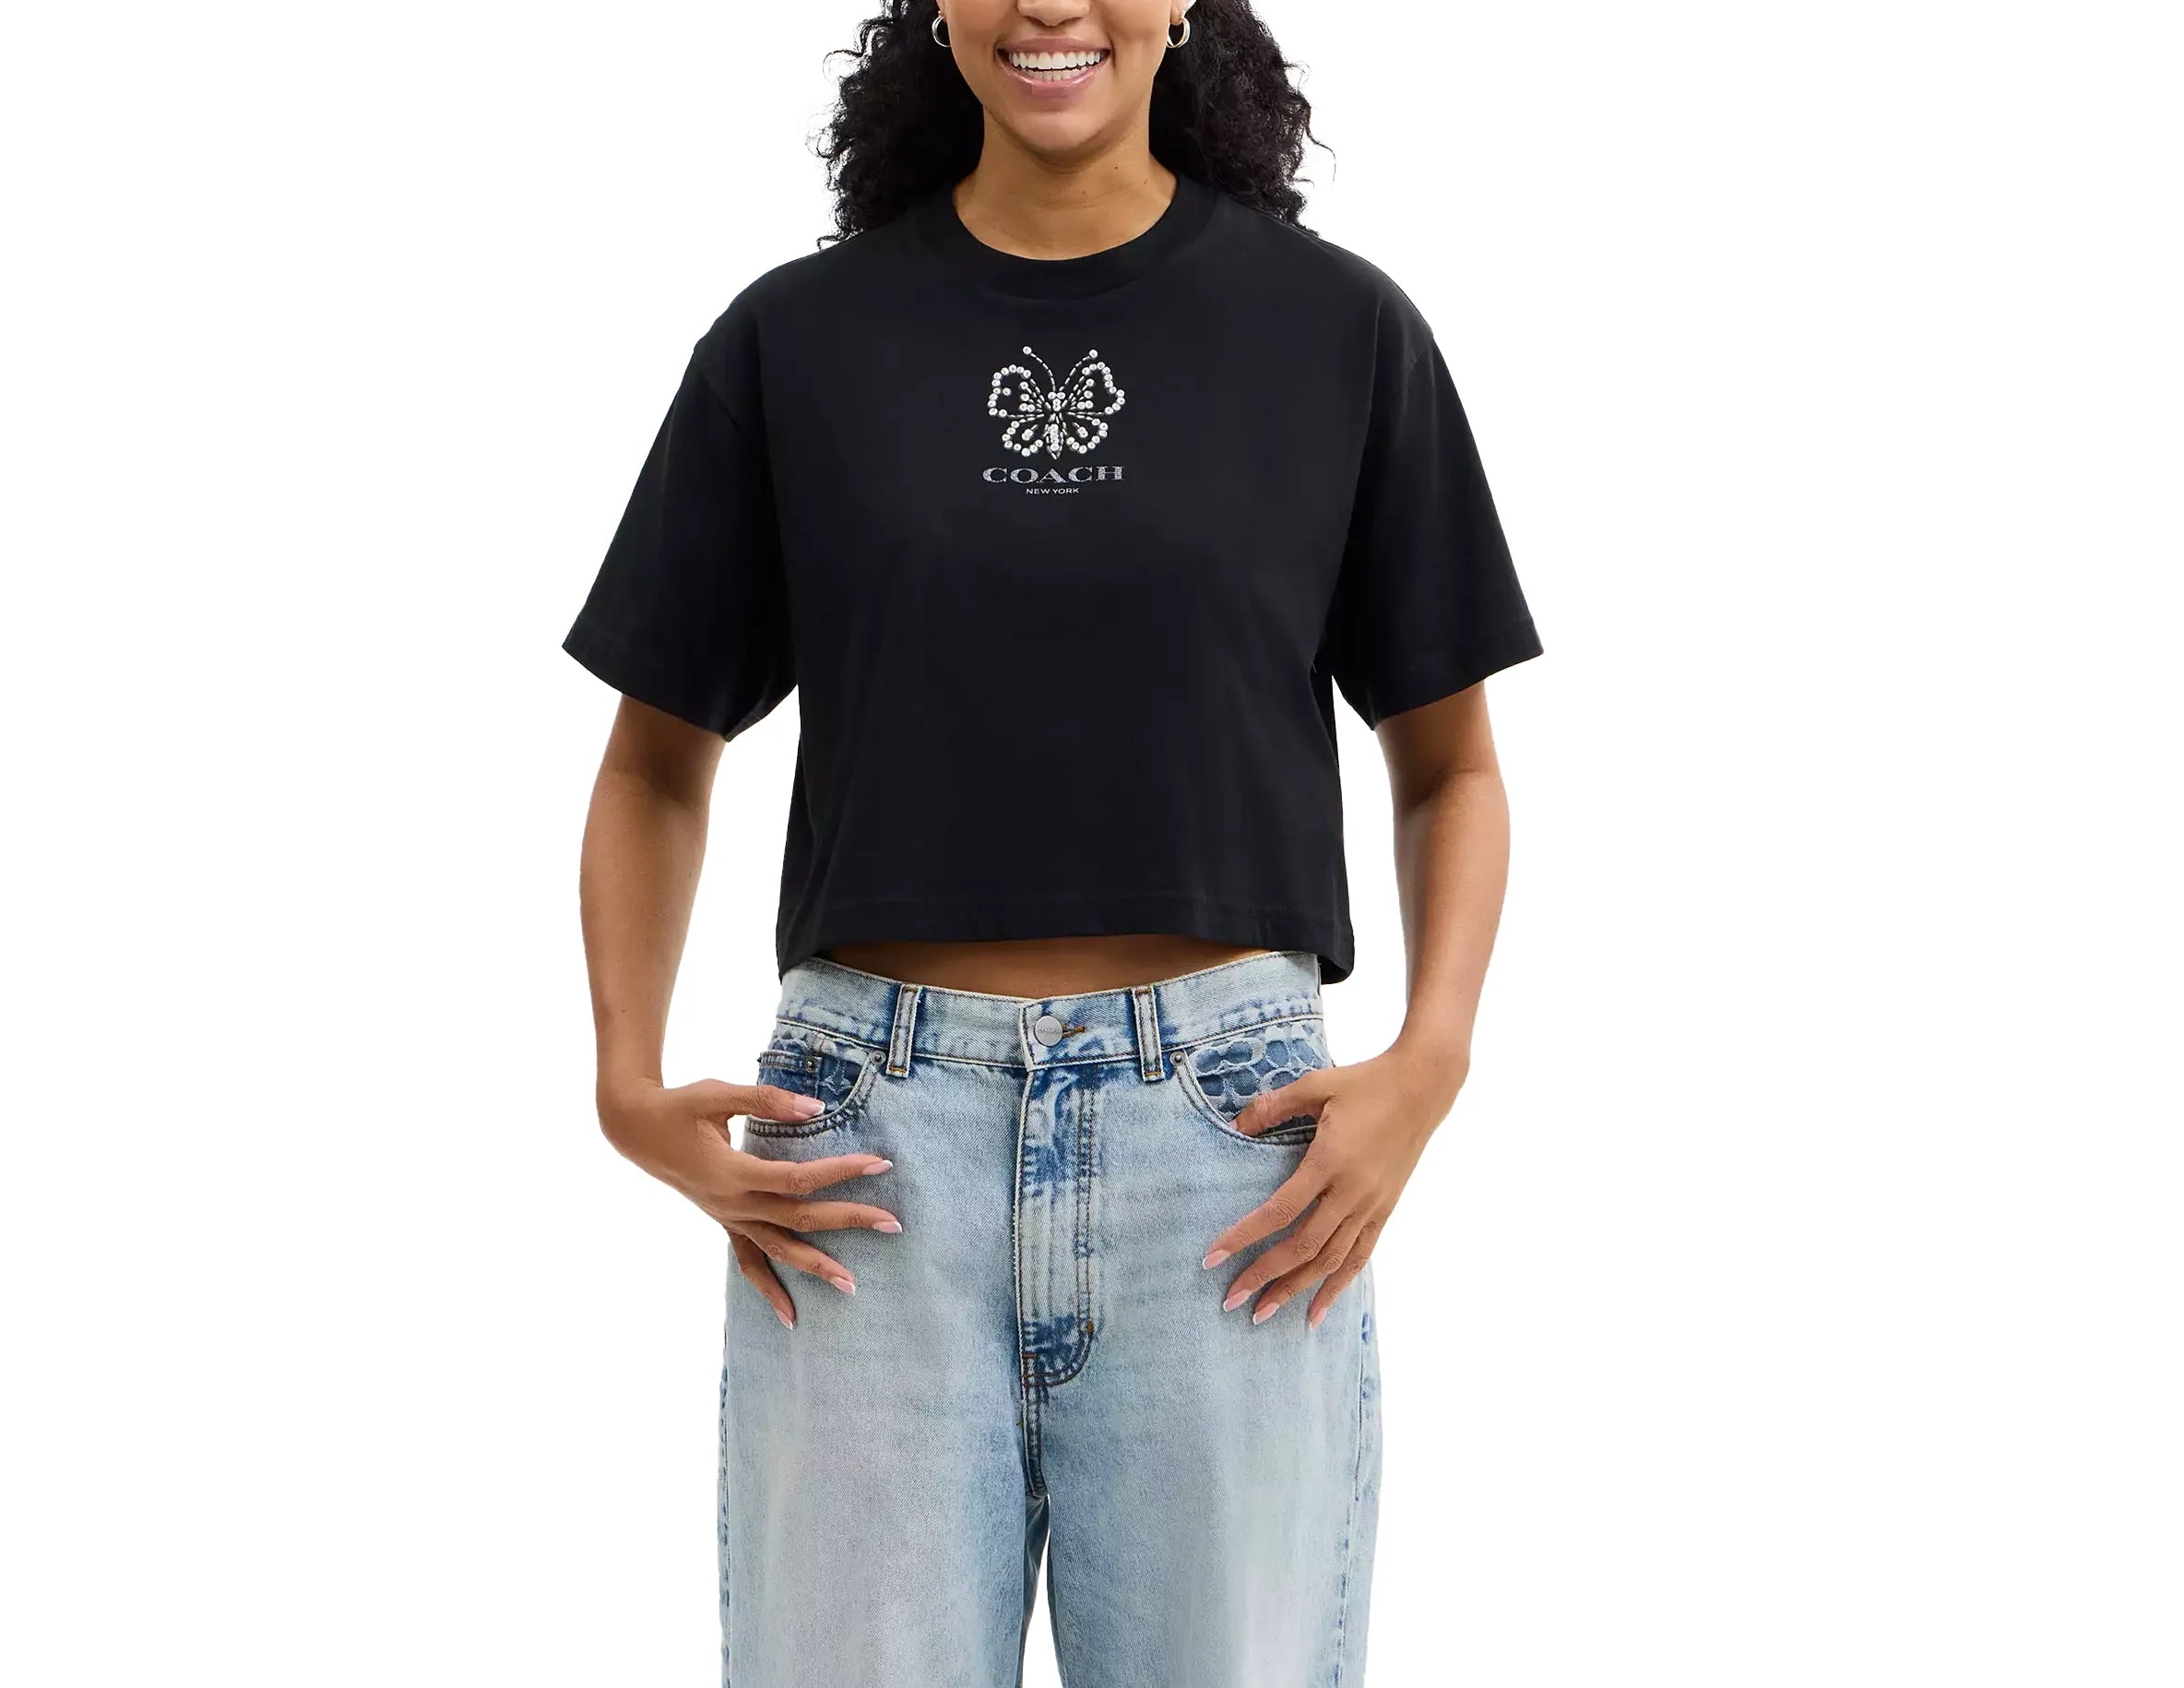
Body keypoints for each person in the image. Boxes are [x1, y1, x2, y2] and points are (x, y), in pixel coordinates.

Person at [563, 2, 1542, 1682]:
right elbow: (657, 757)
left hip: (1233, 1166)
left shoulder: (1336, 332)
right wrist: (623, 1079)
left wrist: (1433, 1053)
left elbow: (1448, 759)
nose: (1051, 4)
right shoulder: (797, 345)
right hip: (865, 1168)